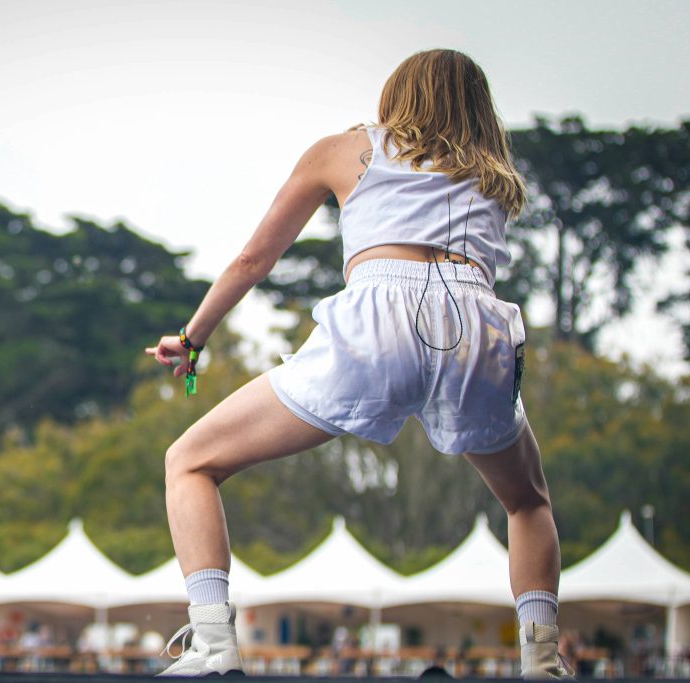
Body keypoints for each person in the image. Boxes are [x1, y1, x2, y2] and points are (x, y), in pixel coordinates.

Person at [145, 49, 573, 679]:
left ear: (396, 95)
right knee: (528, 503)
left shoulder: (346, 150)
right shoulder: (495, 175)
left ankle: (212, 646)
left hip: (379, 320)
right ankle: (543, 662)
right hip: (478, 331)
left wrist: (193, 338)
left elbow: (253, 261)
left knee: (190, 461)